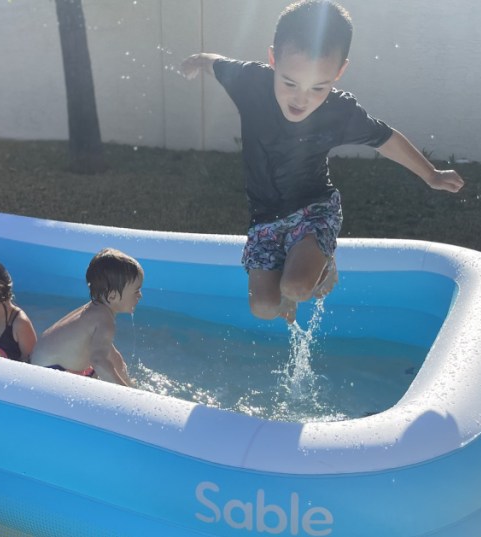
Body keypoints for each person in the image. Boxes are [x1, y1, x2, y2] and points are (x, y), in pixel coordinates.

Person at [180, 0, 464, 323]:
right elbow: (218, 64)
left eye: (319, 87)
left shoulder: (339, 113)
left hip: (314, 207)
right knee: (263, 308)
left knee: (298, 288)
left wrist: (432, 175)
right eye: (290, 83)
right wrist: (199, 61)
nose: (302, 99)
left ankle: (323, 261)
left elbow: (385, 139)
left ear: (340, 72)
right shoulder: (249, 83)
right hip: (264, 217)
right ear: (273, 59)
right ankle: (299, 268)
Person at [30, 248, 142, 386]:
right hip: (48, 375)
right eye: (136, 291)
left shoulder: (94, 310)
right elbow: (99, 361)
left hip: (41, 365)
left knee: (107, 364)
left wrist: (129, 383)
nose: (140, 295)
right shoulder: (104, 320)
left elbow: (114, 358)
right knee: (100, 371)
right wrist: (127, 395)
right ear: (112, 296)